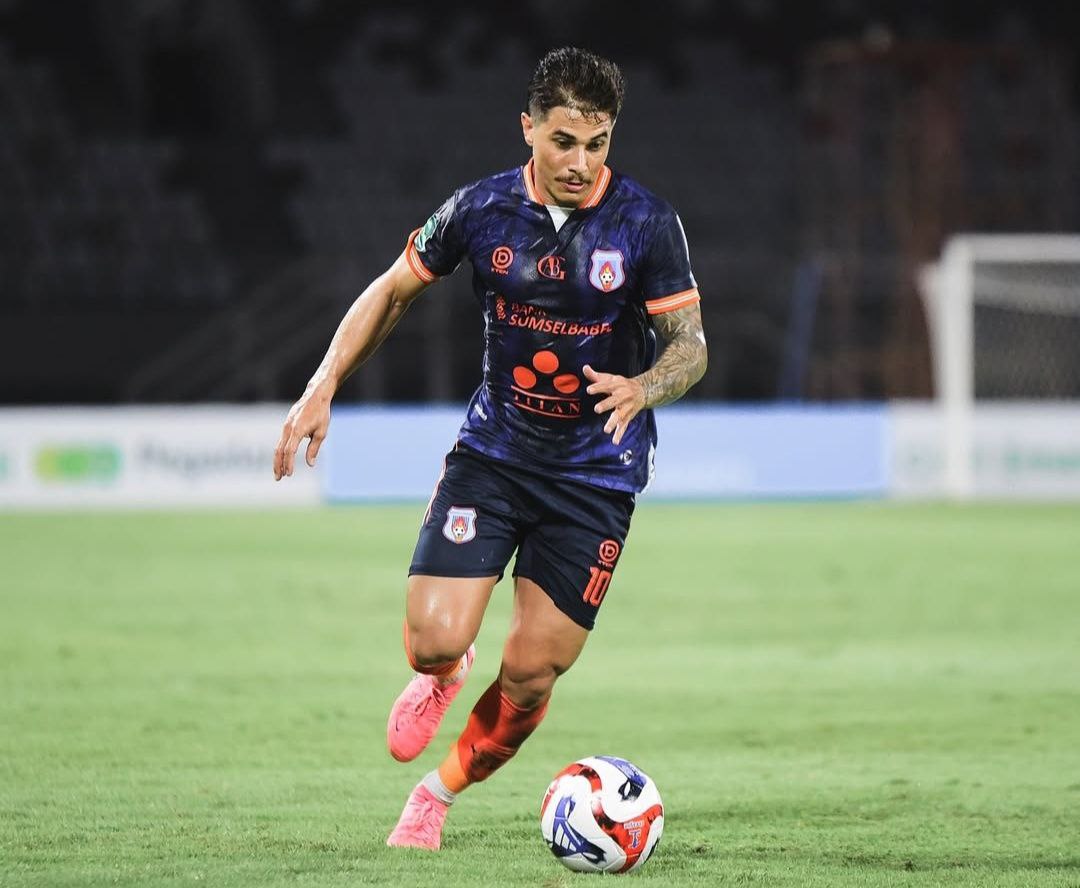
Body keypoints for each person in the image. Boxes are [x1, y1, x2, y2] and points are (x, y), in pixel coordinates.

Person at [273, 46, 707, 851]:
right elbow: (392, 290)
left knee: (534, 673)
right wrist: (323, 382)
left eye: (598, 143)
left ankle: (434, 796)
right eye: (564, 141)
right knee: (433, 639)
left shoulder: (647, 223)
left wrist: (645, 386)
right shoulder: (480, 209)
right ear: (528, 129)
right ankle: (444, 672)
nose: (581, 163)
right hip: (496, 454)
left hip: (595, 476)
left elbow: (690, 345)